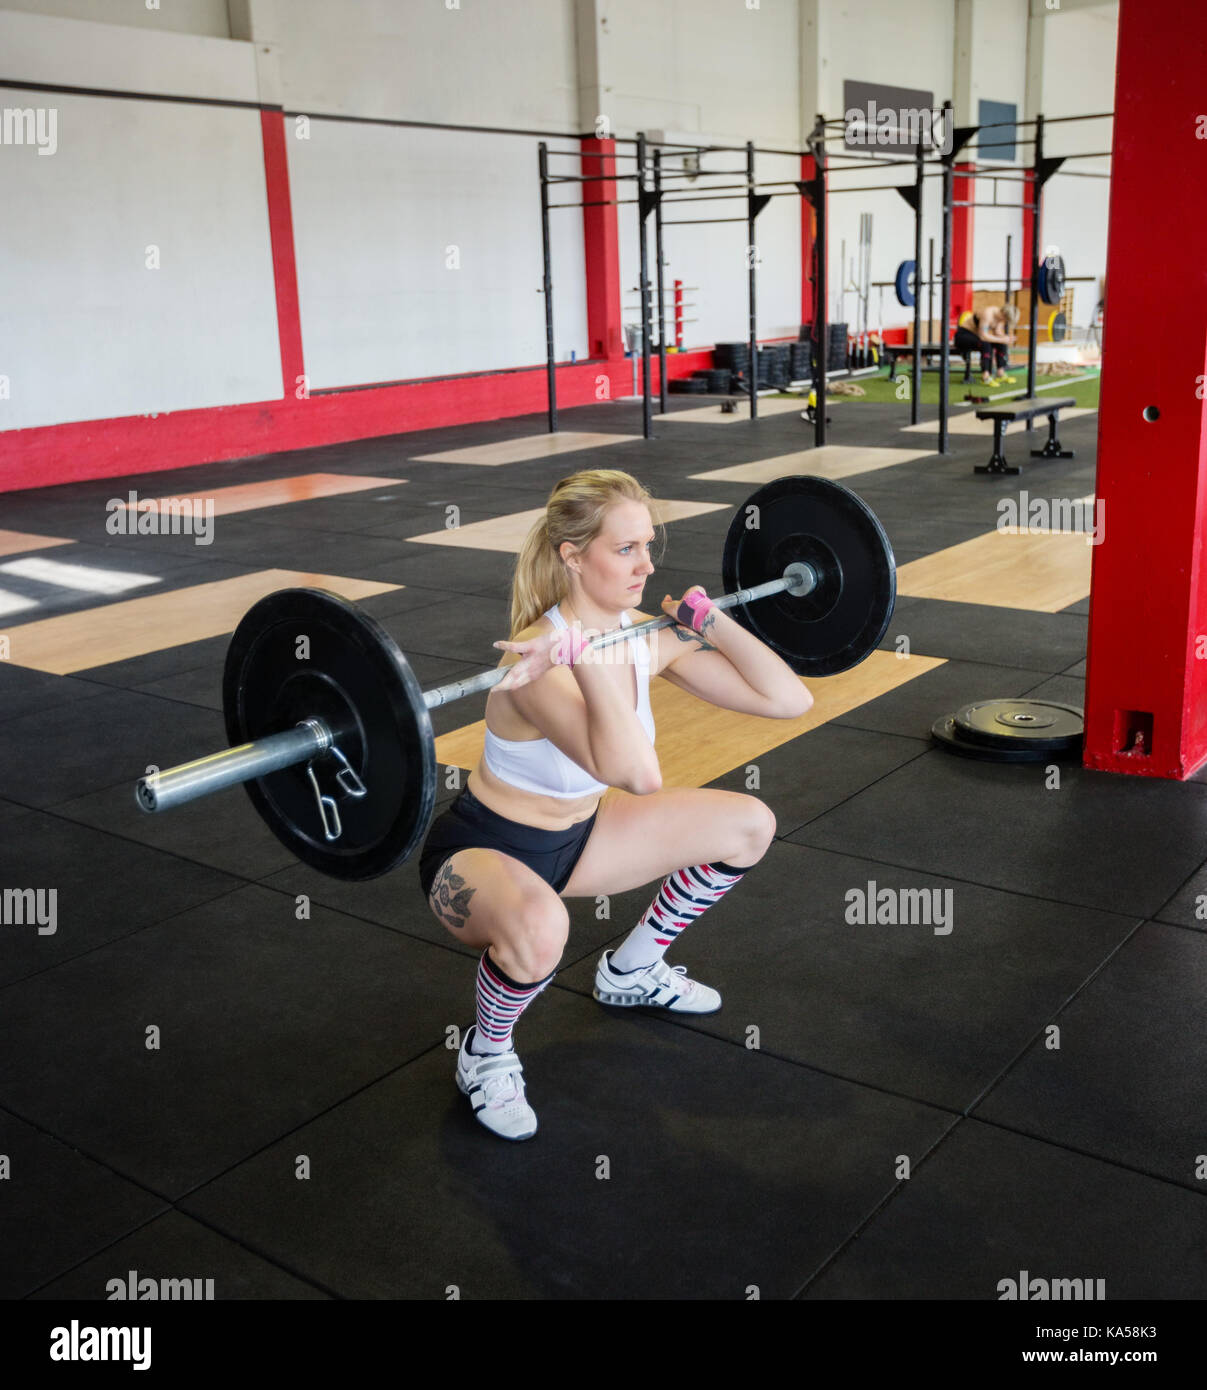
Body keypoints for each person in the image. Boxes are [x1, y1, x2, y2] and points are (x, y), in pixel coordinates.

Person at [418, 468, 812, 1141]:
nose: (645, 564)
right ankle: (485, 1054)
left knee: (749, 824)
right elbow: (634, 773)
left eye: (648, 546)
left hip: (582, 840)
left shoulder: (642, 638)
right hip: (485, 849)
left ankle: (631, 970)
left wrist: (710, 621)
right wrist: (585, 664)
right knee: (541, 935)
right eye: (624, 549)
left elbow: (788, 700)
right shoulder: (534, 666)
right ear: (572, 556)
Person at [953, 305, 1016, 383]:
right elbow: (983, 336)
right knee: (985, 344)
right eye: (1006, 320)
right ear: (1004, 314)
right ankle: (985, 376)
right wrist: (1002, 339)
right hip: (963, 335)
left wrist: (1007, 338)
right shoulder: (988, 314)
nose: (1005, 322)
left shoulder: (1000, 319)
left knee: (1002, 344)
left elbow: (997, 333)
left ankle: (1000, 373)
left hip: (976, 336)